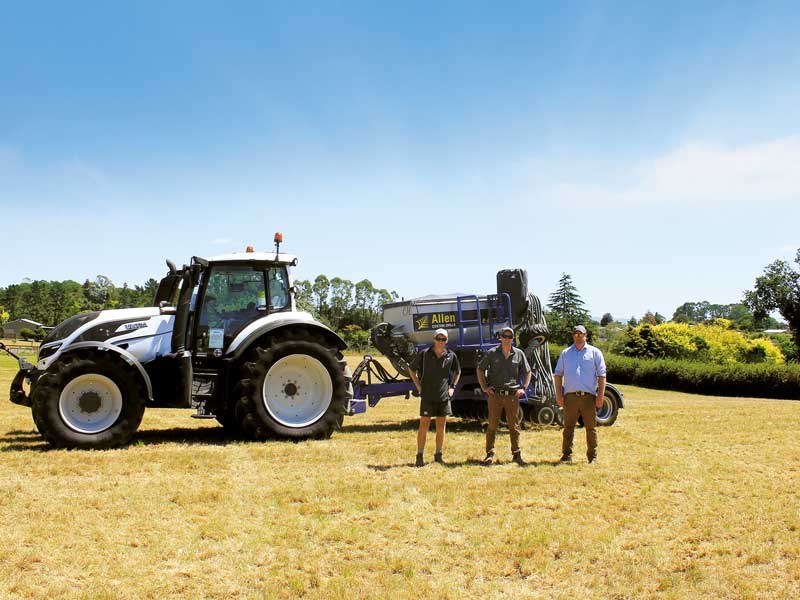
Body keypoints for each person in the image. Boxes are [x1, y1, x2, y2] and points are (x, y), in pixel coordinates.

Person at [477, 326, 532, 466]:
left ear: (513, 338)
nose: (507, 339)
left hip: (512, 396)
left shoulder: (519, 354)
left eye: (510, 337)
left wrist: (523, 388)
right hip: (495, 395)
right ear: (500, 337)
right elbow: (480, 369)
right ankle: (489, 454)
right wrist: (484, 387)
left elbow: (528, 371)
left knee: (514, 426)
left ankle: (516, 454)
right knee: (492, 426)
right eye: (504, 336)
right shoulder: (492, 353)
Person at [554, 325, 607, 464]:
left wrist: (600, 396)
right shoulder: (566, 353)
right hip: (570, 397)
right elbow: (558, 374)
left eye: (581, 334)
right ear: (573, 336)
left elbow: (602, 376)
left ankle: (592, 457)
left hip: (589, 397)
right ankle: (566, 456)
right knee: (568, 428)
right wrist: (559, 395)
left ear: (586, 336)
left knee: (591, 428)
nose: (578, 336)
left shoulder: (595, 353)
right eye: (576, 334)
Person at [408, 328, 461, 467]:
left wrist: (452, 387)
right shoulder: (425, 354)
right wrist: (418, 387)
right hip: (428, 396)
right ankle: (419, 455)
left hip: (443, 397)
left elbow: (457, 371)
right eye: (438, 339)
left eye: (443, 339)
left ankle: (438, 454)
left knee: (441, 426)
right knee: (424, 425)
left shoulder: (451, 356)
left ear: (447, 341)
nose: (441, 342)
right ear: (434, 340)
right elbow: (411, 369)